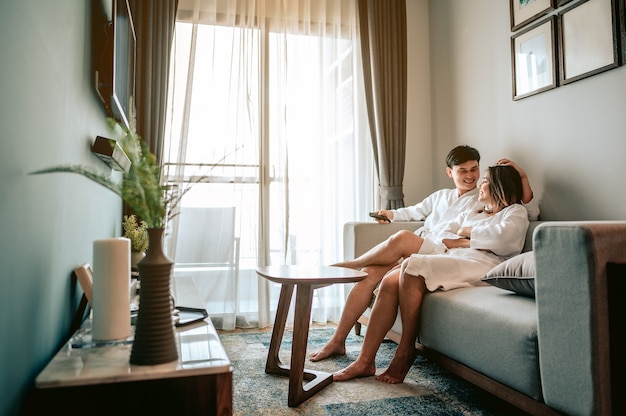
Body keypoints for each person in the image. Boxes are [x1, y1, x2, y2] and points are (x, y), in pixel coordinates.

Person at [309, 146, 538, 362]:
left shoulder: (482, 200)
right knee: (370, 272)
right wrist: (391, 213)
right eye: (463, 171)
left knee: (401, 239)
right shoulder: (443, 196)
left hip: (440, 250)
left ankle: (347, 266)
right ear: (450, 172)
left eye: (475, 170)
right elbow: (416, 211)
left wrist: (522, 177)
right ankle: (337, 340)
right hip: (431, 246)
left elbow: (519, 207)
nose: (471, 177)